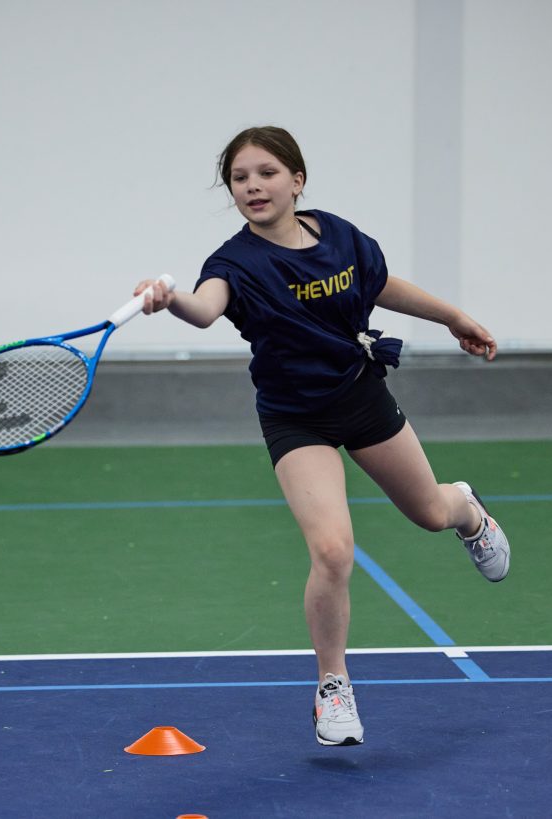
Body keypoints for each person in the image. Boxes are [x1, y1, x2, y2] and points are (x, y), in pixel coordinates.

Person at [134, 125, 510, 747]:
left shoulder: (337, 235)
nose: (253, 186)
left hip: (360, 396)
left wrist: (453, 317)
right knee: (333, 551)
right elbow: (204, 309)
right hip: (295, 416)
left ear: (297, 180)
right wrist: (169, 298)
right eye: (239, 178)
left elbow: (380, 285)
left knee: (430, 513)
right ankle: (333, 686)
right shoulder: (233, 264)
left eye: (266, 173)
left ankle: (467, 511)